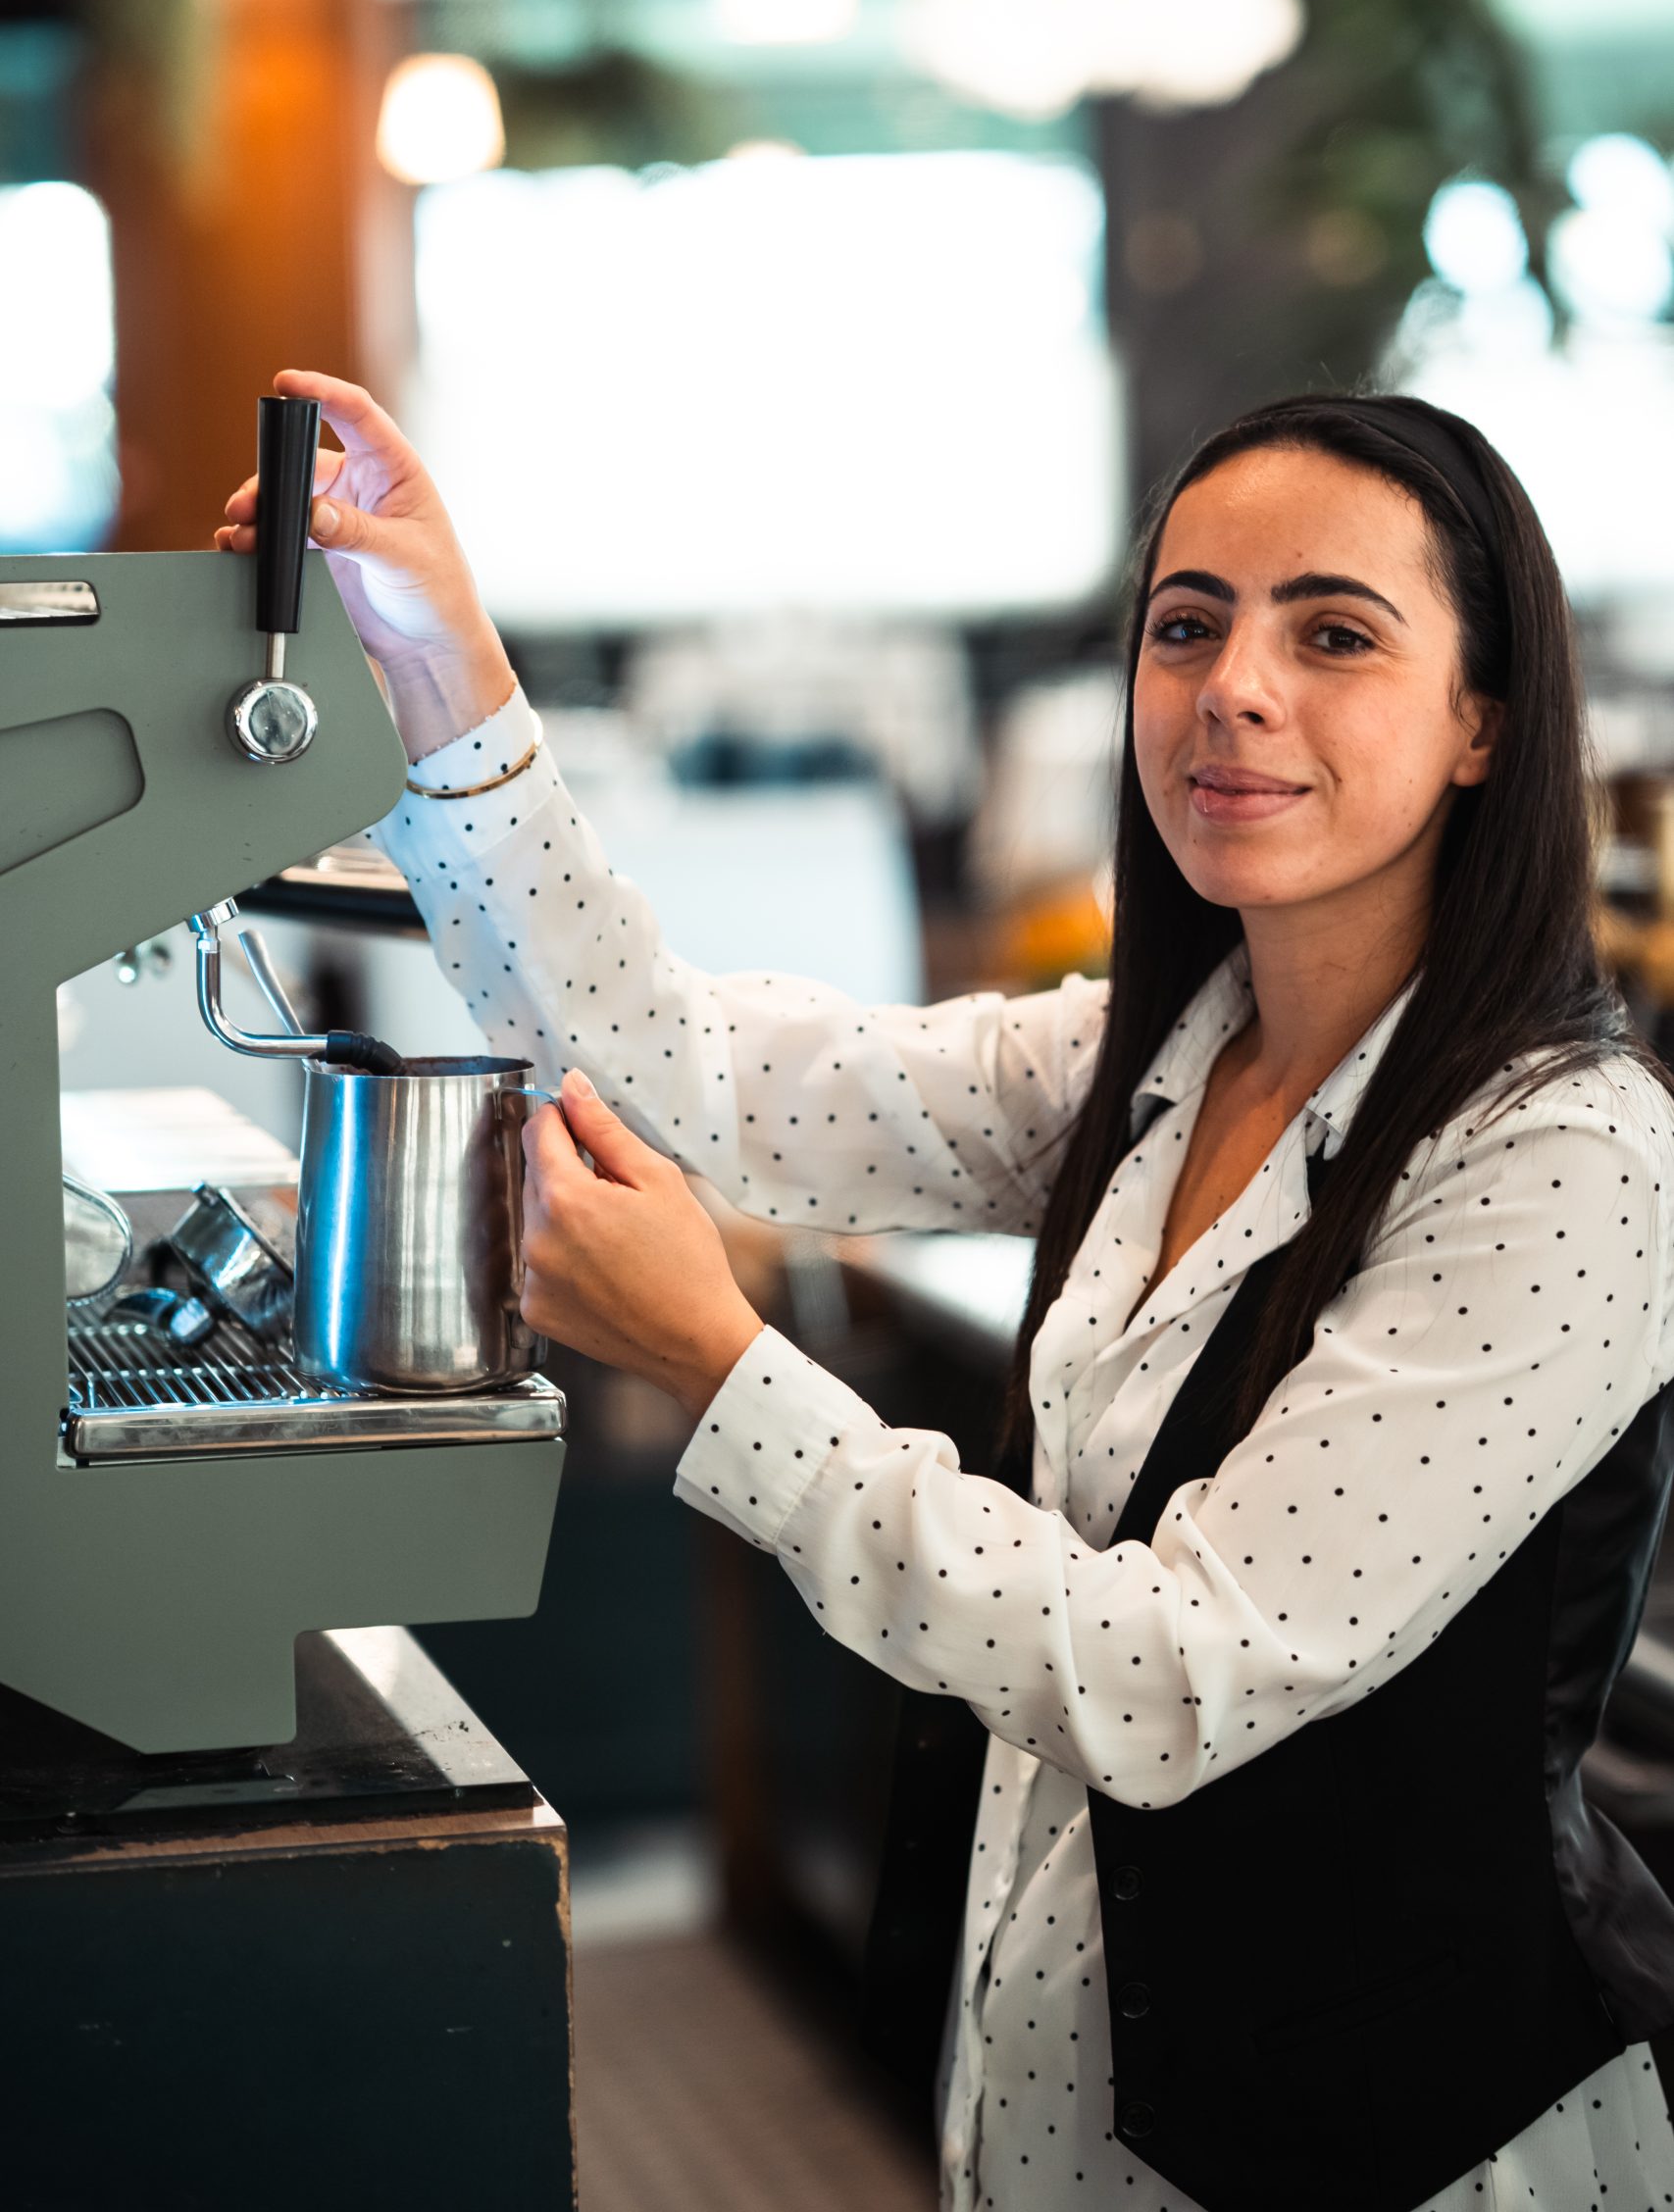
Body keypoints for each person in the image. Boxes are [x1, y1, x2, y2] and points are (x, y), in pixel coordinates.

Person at [217, 370, 1674, 2212]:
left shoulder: (1571, 1161)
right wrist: (435, 652)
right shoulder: (1149, 1058)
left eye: (1336, 634)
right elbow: (687, 1071)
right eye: (1188, 624)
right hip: (1060, 2101)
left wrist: (716, 1361)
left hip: (1404, 2148)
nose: (1234, 687)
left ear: (1484, 720)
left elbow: (1172, 1671)